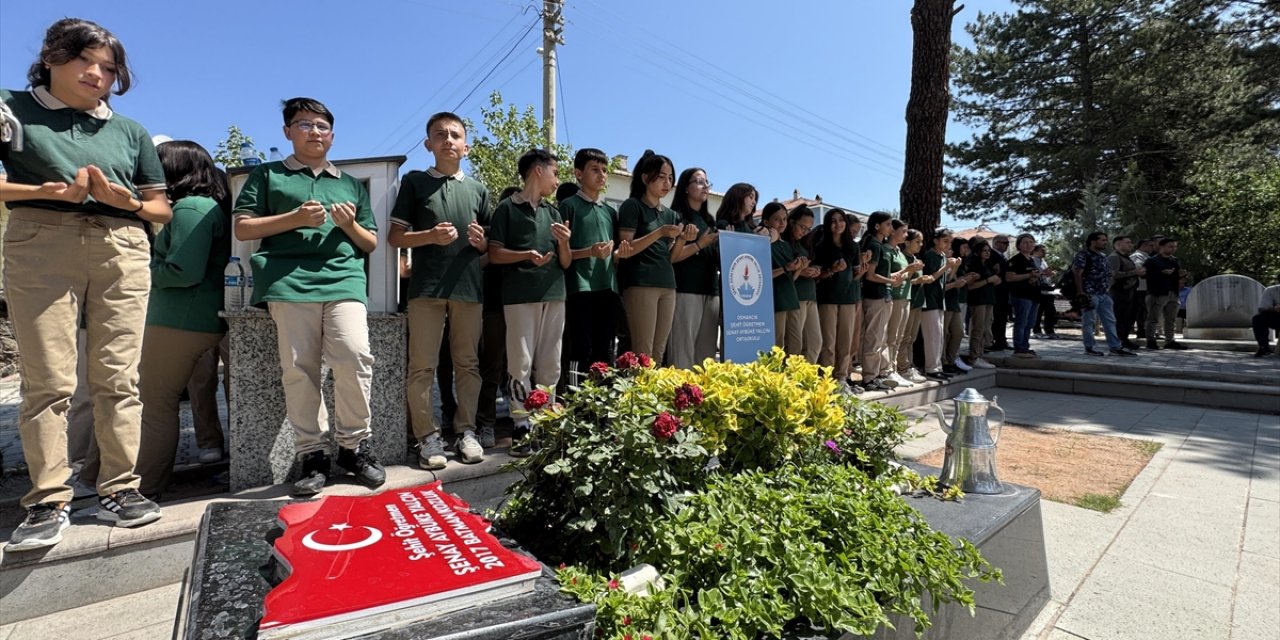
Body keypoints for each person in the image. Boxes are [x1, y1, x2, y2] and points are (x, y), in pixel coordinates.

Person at [2, 18, 170, 550]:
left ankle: (120, 487)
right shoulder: (10, 108)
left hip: (123, 243)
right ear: (51, 56)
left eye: (109, 68)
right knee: (48, 378)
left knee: (120, 376)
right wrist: (42, 190)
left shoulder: (131, 130)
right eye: (85, 60)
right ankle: (48, 498)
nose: (97, 74)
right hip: (41, 236)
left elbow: (160, 208)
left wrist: (129, 202)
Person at [233, 97, 385, 496]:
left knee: (355, 355)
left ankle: (354, 447)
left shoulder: (349, 184)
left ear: (332, 136)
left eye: (322, 126)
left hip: (343, 281)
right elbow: (244, 228)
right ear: (287, 132)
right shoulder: (267, 175)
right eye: (304, 124)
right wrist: (295, 218)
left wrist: (349, 225)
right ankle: (312, 454)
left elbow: (370, 242)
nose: (314, 131)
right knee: (299, 369)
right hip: (288, 282)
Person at [388, 112, 492, 470]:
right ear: (428, 144)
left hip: (469, 290)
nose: (448, 140)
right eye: (440, 134)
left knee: (468, 364)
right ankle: (426, 437)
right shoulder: (414, 182)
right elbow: (395, 237)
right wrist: (430, 236)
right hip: (426, 289)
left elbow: (488, 247)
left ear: (466, 146)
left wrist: (481, 243)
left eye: (455, 135)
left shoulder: (478, 190)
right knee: (422, 366)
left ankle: (466, 431)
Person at [133, 141, 231, 499]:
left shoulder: (191, 207)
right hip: (194, 316)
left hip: (180, 319)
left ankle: (145, 487)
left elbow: (183, 271)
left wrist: (139, 271)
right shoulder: (209, 205)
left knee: (154, 405)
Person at [487, 149, 571, 455]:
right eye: (555, 173)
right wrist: (525, 255)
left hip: (555, 294)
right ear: (538, 170)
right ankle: (521, 425)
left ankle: (544, 422)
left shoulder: (554, 213)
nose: (557, 180)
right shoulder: (506, 209)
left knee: (551, 363)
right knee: (520, 363)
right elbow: (494, 254)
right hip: (519, 296)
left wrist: (564, 242)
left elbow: (565, 262)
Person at [616, 150, 683, 362]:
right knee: (642, 352)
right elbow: (626, 248)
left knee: (659, 351)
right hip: (640, 283)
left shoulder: (671, 214)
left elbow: (671, 256)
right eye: (661, 177)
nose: (667, 183)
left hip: (668, 284)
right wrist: (660, 232)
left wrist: (683, 238)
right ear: (645, 178)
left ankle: (653, 384)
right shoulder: (632, 206)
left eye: (670, 178)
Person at [561, 148, 620, 380]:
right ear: (578, 173)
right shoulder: (568, 206)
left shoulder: (610, 212)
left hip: (608, 287)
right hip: (580, 287)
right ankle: (576, 399)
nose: (601, 175)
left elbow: (615, 251)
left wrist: (619, 253)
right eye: (595, 169)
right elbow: (560, 253)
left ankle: (600, 399)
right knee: (580, 349)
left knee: (604, 351)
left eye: (604, 170)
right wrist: (589, 252)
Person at [668, 167, 720, 368]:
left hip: (711, 290)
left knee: (706, 355)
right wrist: (699, 244)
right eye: (699, 181)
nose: (705, 186)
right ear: (685, 188)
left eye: (706, 182)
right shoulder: (676, 217)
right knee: (683, 351)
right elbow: (672, 257)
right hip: (686, 288)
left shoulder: (710, 221)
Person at [813, 208, 863, 388]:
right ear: (828, 225)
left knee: (845, 342)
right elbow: (816, 277)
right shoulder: (820, 247)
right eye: (833, 221)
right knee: (828, 343)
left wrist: (861, 271)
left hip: (848, 299)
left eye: (841, 220)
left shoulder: (853, 247)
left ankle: (841, 379)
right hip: (827, 299)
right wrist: (832, 270)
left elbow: (855, 274)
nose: (838, 224)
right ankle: (826, 381)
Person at [1071, 232, 1137, 357]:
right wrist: (1080, 291)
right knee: (1089, 321)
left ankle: (1115, 347)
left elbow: (1109, 274)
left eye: (1105, 240)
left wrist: (1108, 287)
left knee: (1110, 321)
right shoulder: (1084, 255)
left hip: (1103, 294)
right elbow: (1077, 272)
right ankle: (1090, 347)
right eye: (1102, 240)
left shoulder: (1102, 256)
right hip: (1089, 293)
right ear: (1093, 241)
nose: (1105, 242)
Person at [859, 212, 904, 391]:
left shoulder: (877, 244)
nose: (891, 228)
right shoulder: (874, 245)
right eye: (888, 224)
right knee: (874, 338)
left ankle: (875, 374)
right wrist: (891, 281)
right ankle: (869, 377)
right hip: (875, 296)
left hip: (882, 296)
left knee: (879, 338)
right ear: (877, 226)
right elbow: (870, 275)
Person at [885, 222, 924, 387]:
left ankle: (896, 369)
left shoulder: (898, 252)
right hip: (895, 297)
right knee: (892, 337)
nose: (906, 234)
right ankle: (891, 370)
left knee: (901, 337)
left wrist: (910, 272)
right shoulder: (887, 250)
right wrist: (909, 270)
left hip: (906, 297)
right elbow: (887, 276)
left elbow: (905, 277)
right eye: (904, 231)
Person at [894, 229, 934, 384]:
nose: (921, 244)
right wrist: (917, 280)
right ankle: (902, 367)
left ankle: (908, 365)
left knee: (912, 337)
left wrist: (924, 279)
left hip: (917, 301)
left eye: (921, 241)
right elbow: (902, 280)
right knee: (904, 337)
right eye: (917, 241)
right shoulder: (903, 257)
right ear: (907, 242)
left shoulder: (915, 258)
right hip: (906, 301)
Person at [919, 229, 958, 379]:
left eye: (950, 242)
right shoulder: (930, 255)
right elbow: (931, 277)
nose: (948, 245)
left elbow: (947, 279)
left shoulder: (942, 256)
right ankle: (931, 368)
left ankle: (937, 366)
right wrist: (946, 266)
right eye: (945, 241)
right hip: (929, 300)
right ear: (936, 240)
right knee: (932, 335)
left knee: (939, 335)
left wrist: (954, 267)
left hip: (939, 300)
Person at [766, 202, 802, 352]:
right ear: (766, 221)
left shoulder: (786, 245)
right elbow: (762, 275)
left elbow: (791, 277)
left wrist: (799, 267)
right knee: (776, 346)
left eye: (785, 219)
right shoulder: (763, 243)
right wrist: (785, 268)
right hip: (775, 301)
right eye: (777, 219)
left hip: (791, 299)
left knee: (796, 345)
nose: (782, 223)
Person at [1142, 237, 1188, 350]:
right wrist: (1161, 273)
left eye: (1174, 247)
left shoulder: (1174, 260)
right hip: (1157, 293)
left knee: (1171, 319)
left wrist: (1181, 274)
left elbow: (1177, 275)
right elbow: (1144, 275)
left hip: (1173, 292)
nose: (1173, 249)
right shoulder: (1152, 261)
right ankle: (1151, 340)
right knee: (1153, 318)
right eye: (1170, 246)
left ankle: (1170, 340)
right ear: (1161, 247)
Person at [944, 237, 977, 373]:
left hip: (956, 300)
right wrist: (961, 277)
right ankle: (944, 361)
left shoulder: (961, 262)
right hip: (947, 300)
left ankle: (952, 359)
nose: (966, 250)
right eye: (964, 247)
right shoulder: (948, 261)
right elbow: (948, 280)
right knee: (945, 333)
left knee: (958, 332)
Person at [965, 239, 1000, 369]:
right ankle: (974, 357)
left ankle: (979, 354)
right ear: (977, 252)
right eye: (984, 251)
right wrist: (988, 280)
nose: (987, 253)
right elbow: (970, 286)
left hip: (989, 299)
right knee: (978, 329)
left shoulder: (987, 265)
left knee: (985, 329)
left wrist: (994, 280)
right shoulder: (973, 265)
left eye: (988, 251)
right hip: (978, 300)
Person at [1006, 233, 1043, 358]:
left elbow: (1032, 277)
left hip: (1034, 295)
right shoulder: (1015, 260)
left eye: (1031, 242)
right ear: (1019, 245)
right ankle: (1018, 348)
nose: (1029, 245)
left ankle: (1025, 346)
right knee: (1021, 322)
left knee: (1030, 323)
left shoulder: (1032, 260)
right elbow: (1009, 277)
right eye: (1025, 242)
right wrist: (1029, 275)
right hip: (1021, 295)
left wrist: (1039, 276)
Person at [1108, 235, 1144, 350]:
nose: (1130, 244)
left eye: (1130, 242)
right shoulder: (1114, 257)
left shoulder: (1127, 257)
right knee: (1120, 317)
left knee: (1129, 317)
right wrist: (1135, 272)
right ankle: (1117, 341)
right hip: (1120, 292)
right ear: (1118, 244)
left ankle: (1124, 339)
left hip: (1131, 291)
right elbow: (1114, 274)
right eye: (1127, 242)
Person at [987, 235, 1012, 352]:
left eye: (1008, 243)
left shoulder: (1003, 256)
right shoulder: (992, 255)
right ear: (996, 243)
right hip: (996, 291)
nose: (1007, 245)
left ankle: (1002, 340)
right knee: (997, 317)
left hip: (1004, 291)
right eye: (1005, 243)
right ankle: (996, 340)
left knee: (1002, 317)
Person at [1030, 244, 1058, 338]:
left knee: (1050, 310)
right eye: (1042, 250)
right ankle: (1037, 330)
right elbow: (1035, 274)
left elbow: (1045, 273)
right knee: (1038, 310)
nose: (1044, 252)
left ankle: (1049, 330)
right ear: (1035, 251)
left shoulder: (1043, 261)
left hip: (1047, 288)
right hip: (1038, 288)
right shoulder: (1032, 261)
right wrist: (1044, 273)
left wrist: (1049, 274)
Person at [1252, 274, 1280, 358]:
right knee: (1258, 319)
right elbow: (1262, 308)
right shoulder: (1271, 290)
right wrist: (1274, 309)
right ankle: (1263, 347)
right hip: (1277, 317)